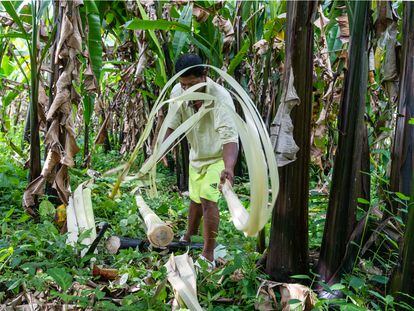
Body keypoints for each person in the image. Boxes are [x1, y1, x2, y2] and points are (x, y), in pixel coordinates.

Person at [164, 54, 239, 266]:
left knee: (208, 199)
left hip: (218, 156)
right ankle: (188, 236)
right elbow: (172, 123)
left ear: (204, 76)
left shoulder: (221, 98)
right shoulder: (179, 92)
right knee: (195, 199)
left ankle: (208, 254)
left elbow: (229, 137)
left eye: (193, 84)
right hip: (196, 156)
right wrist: (161, 150)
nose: (188, 90)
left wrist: (229, 167)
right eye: (184, 84)